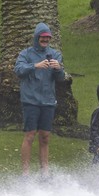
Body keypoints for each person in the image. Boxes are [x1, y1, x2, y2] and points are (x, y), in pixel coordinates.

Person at [14, 23, 65, 176]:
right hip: (30, 100)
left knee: (45, 136)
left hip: (48, 101)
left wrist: (58, 68)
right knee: (30, 135)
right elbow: (18, 70)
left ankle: (45, 173)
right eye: (42, 38)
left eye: (48, 38)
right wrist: (35, 65)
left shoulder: (55, 54)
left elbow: (60, 78)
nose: (45, 40)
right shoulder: (26, 54)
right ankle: (26, 173)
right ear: (37, 37)